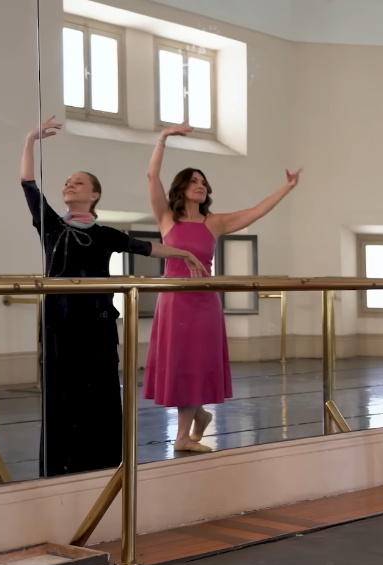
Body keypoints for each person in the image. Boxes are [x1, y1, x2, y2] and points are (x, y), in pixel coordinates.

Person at [21, 117, 206, 477]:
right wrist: (30, 140)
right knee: (63, 395)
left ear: (94, 195)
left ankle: (104, 463)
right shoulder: (52, 226)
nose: (69, 184)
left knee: (101, 393)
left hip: (98, 322)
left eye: (79, 182)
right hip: (60, 322)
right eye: (67, 182)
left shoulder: (105, 234)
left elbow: (146, 247)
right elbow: (28, 184)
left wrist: (183, 253)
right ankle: (62, 466)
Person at [144, 123, 302, 453]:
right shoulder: (166, 219)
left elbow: (255, 212)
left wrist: (286, 188)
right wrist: (163, 139)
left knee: (195, 365)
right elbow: (151, 178)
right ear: (182, 187)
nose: (200, 186)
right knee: (179, 367)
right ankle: (197, 417)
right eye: (194, 181)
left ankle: (184, 435)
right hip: (173, 301)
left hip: (203, 302)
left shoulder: (213, 222)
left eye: (203, 182)